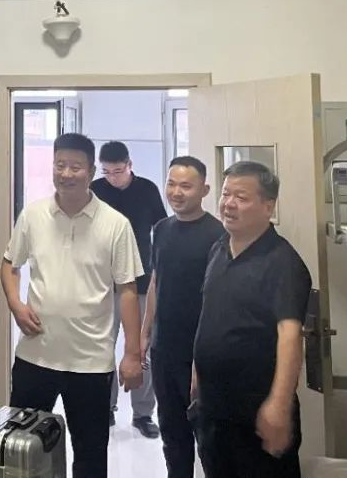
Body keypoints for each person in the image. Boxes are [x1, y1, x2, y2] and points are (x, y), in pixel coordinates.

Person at [1, 132, 145, 478]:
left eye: (75, 167)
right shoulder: (33, 215)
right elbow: (9, 264)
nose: (66, 173)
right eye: (59, 165)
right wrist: (16, 305)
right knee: (22, 450)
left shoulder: (115, 224)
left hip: (90, 362)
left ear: (91, 171)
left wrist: (132, 354)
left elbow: (127, 290)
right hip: (35, 355)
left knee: (90, 454)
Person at [192, 161, 312, 478]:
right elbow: (210, 317)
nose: (229, 203)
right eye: (226, 194)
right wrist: (197, 376)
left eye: (241, 197)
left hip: (257, 416)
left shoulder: (283, 262)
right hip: (214, 411)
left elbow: (290, 336)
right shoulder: (218, 249)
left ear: (268, 206)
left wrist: (279, 405)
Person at [140, 156, 226, 478]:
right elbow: (155, 282)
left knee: (209, 439)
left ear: (204, 190)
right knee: (172, 436)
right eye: (171, 184)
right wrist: (145, 333)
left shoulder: (218, 235)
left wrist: (201, 361)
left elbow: (219, 302)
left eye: (186, 186)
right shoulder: (161, 229)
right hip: (164, 351)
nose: (176, 192)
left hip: (199, 356)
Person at [90, 140, 167, 436]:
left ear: (129, 165)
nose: (112, 177)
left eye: (118, 171)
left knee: (141, 346)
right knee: (102, 346)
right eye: (107, 172)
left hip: (141, 280)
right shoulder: (94, 190)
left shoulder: (147, 189)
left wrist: (159, 269)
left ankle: (143, 414)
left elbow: (161, 229)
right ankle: (105, 407)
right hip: (104, 283)